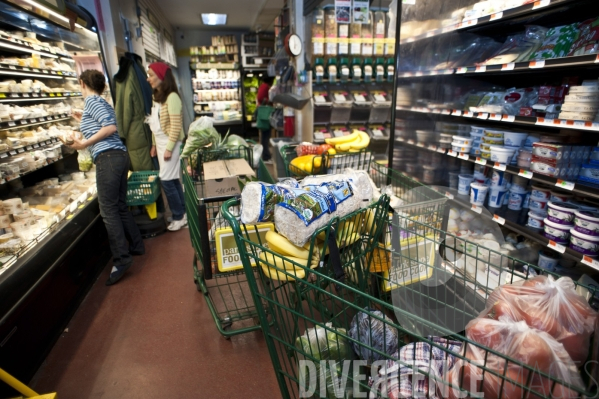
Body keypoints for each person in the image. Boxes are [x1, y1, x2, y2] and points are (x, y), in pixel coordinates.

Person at [70, 69, 145, 286]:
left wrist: (84, 143)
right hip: (119, 156)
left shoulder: (92, 101)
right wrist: (83, 119)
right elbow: (105, 123)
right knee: (120, 206)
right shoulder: (99, 102)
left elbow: (110, 127)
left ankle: (122, 259)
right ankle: (137, 245)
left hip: (108, 158)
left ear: (82, 83)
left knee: (108, 210)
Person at [146, 62, 187, 231]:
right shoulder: (158, 97)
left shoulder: (173, 98)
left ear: (162, 76)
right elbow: (153, 122)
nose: (148, 79)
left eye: (151, 75)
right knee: (171, 179)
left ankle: (179, 216)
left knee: (166, 180)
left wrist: (169, 148)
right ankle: (182, 213)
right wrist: (155, 144)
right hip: (162, 142)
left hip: (172, 142)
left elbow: (176, 127)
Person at [256, 76, 274, 161]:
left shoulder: (262, 85)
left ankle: (265, 155)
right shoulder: (266, 86)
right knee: (265, 137)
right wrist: (270, 101)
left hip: (262, 114)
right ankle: (266, 156)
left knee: (264, 137)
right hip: (265, 115)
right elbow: (261, 98)